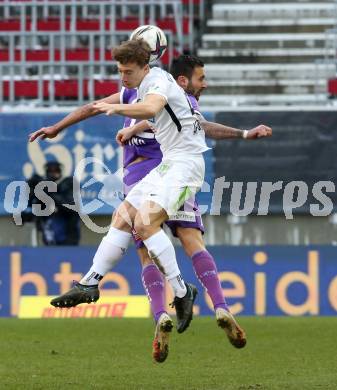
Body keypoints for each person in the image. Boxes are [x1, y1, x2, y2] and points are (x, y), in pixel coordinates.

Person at [29, 50, 272, 362]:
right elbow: (118, 109)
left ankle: (181, 293)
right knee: (123, 216)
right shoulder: (147, 87)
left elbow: (152, 107)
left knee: (146, 227)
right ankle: (90, 283)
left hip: (184, 168)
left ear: (146, 66)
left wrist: (120, 112)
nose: (122, 77)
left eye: (127, 71)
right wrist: (58, 127)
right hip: (168, 166)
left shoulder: (158, 83)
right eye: (120, 71)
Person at [23, 161, 80, 246]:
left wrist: (51, 192)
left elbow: (71, 206)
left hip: (68, 236)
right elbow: (32, 204)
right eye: (50, 171)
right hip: (49, 237)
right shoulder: (42, 188)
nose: (53, 174)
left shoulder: (68, 183)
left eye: (56, 171)